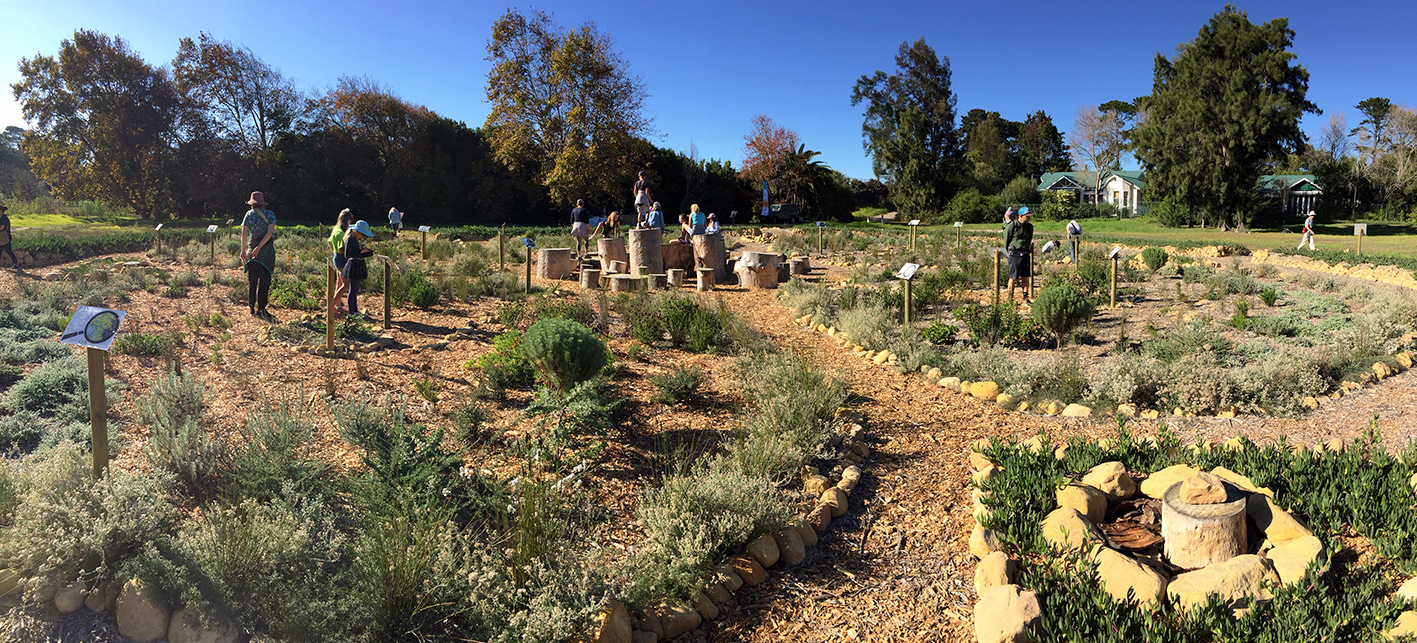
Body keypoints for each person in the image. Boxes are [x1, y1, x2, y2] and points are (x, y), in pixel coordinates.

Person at [240, 191, 277, 319]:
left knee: (253, 280)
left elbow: (244, 233)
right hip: (266, 252)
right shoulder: (270, 215)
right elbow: (269, 233)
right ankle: (261, 309)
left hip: (251, 251)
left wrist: (243, 250)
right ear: (263, 203)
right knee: (264, 280)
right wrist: (260, 247)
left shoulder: (248, 215)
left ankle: (251, 307)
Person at [342, 220, 376, 318]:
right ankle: (351, 312)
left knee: (355, 289)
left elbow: (354, 252)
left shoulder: (353, 239)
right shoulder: (350, 239)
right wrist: (361, 251)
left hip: (356, 266)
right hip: (353, 266)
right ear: (357, 232)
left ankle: (354, 311)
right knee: (353, 290)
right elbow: (348, 254)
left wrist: (364, 252)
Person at [1004, 207, 1035, 302]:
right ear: (1021, 216)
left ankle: (1025, 297)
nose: (1029, 218)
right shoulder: (1011, 226)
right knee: (1013, 277)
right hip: (1015, 255)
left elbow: (1029, 238)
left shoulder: (1029, 227)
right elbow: (1006, 240)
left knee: (1025, 277)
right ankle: (1010, 298)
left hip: (1025, 254)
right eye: (1027, 216)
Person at [329, 209, 353, 315]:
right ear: (346, 220)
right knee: (346, 284)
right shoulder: (340, 233)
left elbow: (329, 241)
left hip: (337, 257)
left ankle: (337, 306)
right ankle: (331, 308)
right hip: (341, 259)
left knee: (339, 283)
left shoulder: (335, 229)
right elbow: (341, 249)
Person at [0, 204, 17, 269]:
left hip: (4, 238)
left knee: (9, 251)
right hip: (3, 237)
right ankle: (16, 263)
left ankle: (16, 263)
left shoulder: (3, 218)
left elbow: (2, 227)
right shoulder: (2, 217)